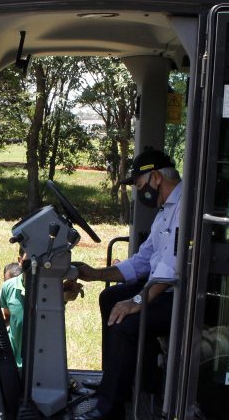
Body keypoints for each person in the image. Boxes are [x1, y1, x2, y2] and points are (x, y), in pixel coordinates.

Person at [74, 149, 182, 420]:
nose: (138, 191)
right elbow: (144, 260)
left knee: (126, 321)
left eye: (139, 184)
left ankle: (109, 409)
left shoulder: (184, 210)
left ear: (156, 177)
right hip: (159, 288)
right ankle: (114, 381)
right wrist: (97, 274)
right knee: (109, 298)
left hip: (180, 297)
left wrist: (135, 302)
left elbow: (170, 269)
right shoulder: (165, 211)